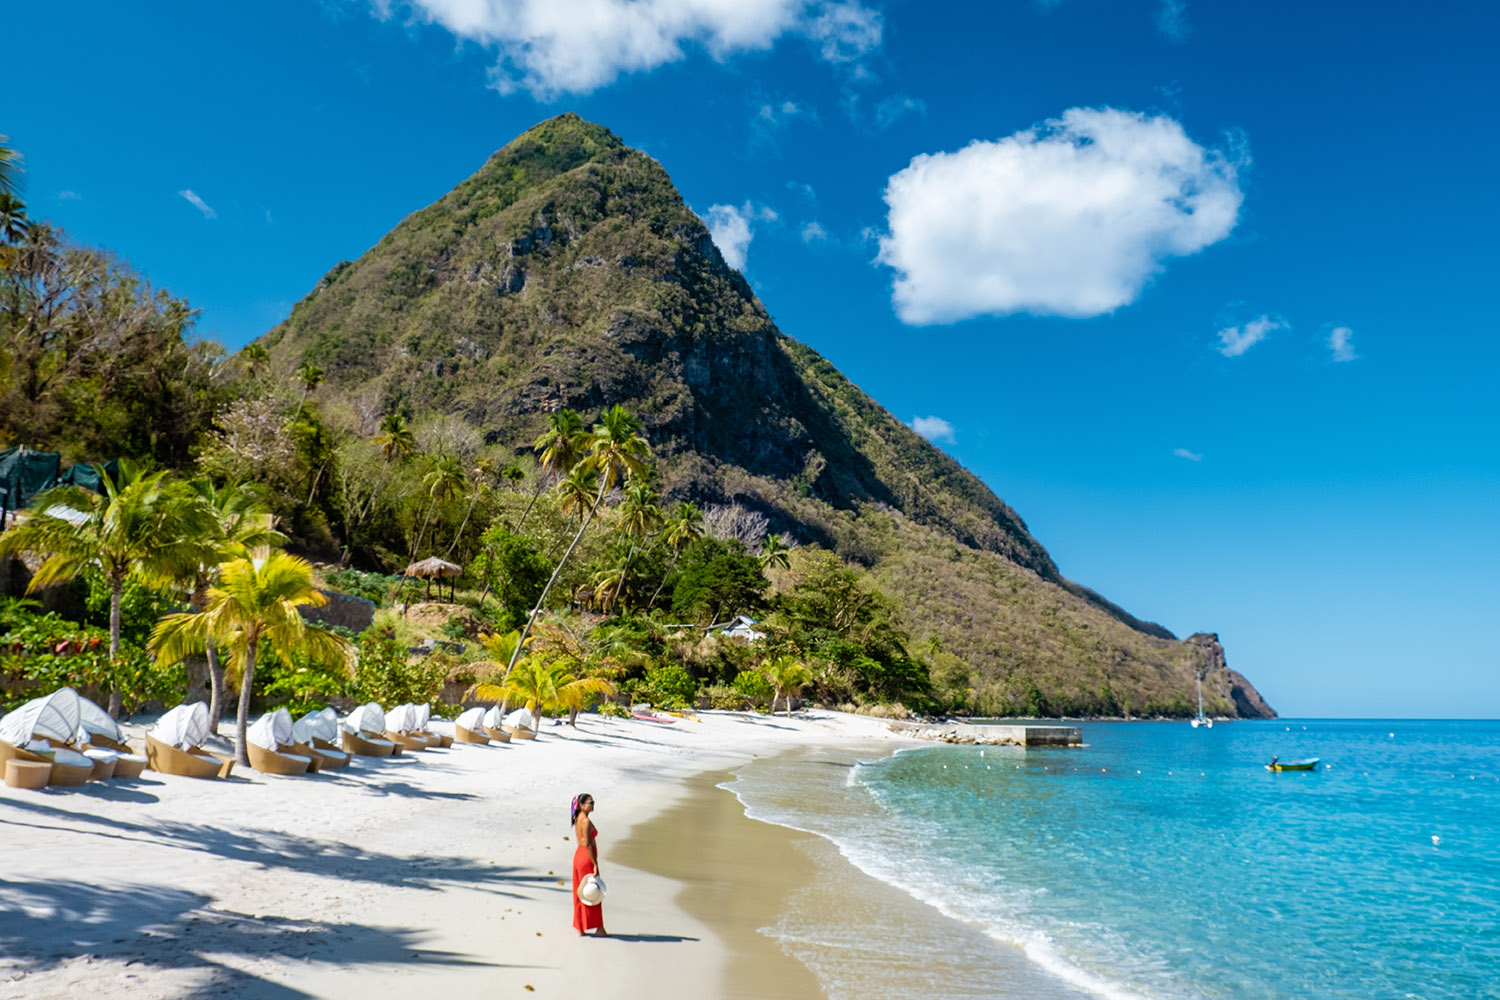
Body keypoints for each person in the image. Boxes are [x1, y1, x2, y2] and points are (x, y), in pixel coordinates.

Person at [572, 793, 607, 937]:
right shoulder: (585, 821)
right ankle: (599, 928)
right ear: (581, 805)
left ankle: (580, 927)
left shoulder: (578, 819)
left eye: (593, 802)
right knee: (593, 891)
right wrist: (595, 864)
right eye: (590, 802)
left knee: (580, 892)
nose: (592, 804)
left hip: (579, 856)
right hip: (586, 857)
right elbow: (587, 843)